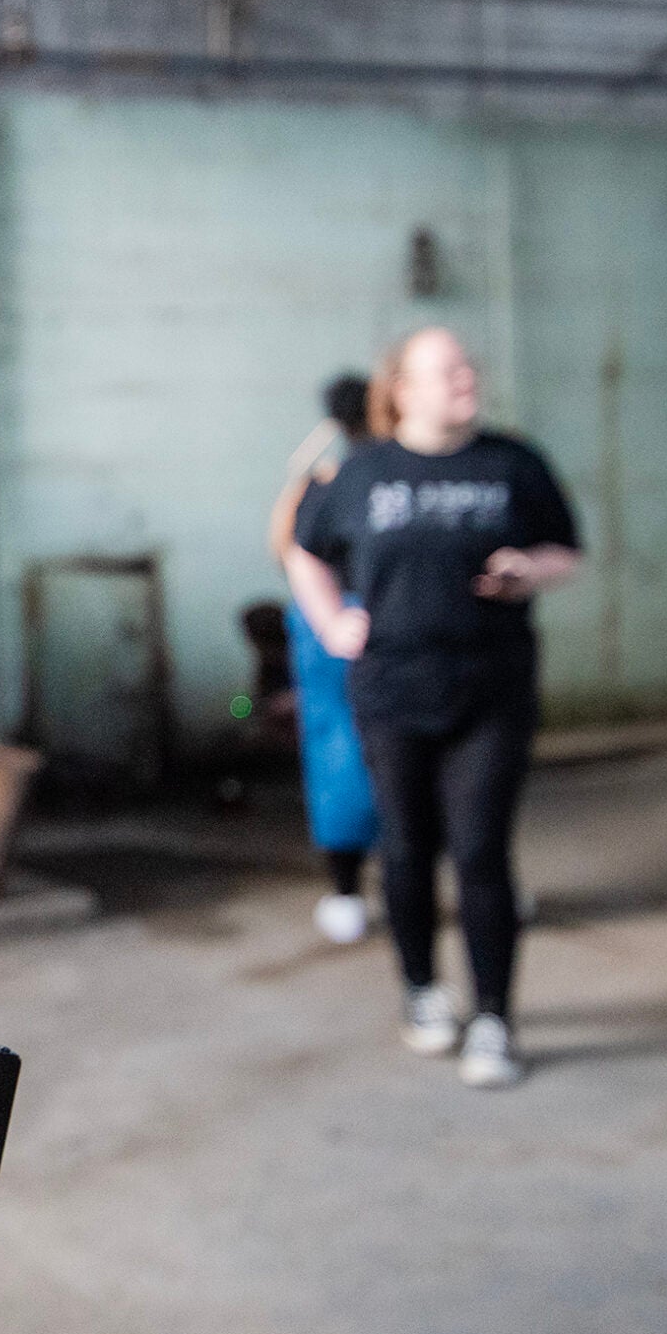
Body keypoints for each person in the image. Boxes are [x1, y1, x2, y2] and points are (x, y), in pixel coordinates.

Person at [285, 328, 580, 1089]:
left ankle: (493, 1021)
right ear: (402, 390)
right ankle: (422, 993)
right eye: (445, 370)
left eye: (468, 366)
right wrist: (328, 621)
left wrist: (528, 568)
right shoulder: (361, 471)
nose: (465, 378)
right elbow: (303, 548)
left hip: (492, 690)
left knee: (481, 851)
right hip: (392, 694)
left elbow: (566, 552)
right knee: (407, 850)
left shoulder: (515, 462)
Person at [268, 372, 380, 944]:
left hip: (332, 628)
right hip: (352, 626)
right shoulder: (347, 481)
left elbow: (280, 545)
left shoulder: (319, 482)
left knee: (340, 751)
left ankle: (347, 892)